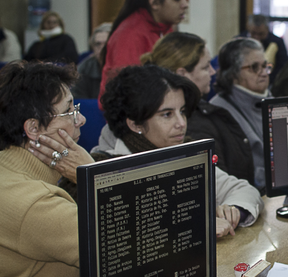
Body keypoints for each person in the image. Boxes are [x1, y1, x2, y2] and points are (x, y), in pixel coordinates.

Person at [0, 61, 95, 277]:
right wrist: (94, 175)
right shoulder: (34, 204)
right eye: (70, 111)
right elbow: (129, 256)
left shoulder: (0, 170)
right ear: (33, 128)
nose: (80, 120)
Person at [95, 65, 263, 237]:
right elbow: (132, 230)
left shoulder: (182, 151)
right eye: (167, 114)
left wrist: (233, 211)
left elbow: (243, 190)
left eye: (182, 112)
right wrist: (199, 224)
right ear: (135, 124)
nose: (181, 123)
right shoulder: (103, 167)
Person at [140, 32, 257, 187]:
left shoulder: (203, 109)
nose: (213, 72)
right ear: (183, 74)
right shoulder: (190, 123)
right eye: (205, 67)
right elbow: (215, 187)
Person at [99, 0, 189, 108]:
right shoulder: (129, 36)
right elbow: (128, 98)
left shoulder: (165, 29)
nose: (185, 4)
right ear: (155, 3)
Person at [210, 37, 271, 190]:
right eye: (254, 67)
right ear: (233, 74)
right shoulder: (219, 110)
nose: (263, 73)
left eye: (265, 66)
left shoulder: (271, 100)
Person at [240, 14, 288, 84]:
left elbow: (282, 67)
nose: (257, 37)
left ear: (267, 30)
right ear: (248, 28)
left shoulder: (277, 42)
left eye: (261, 34)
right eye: (253, 33)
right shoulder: (240, 41)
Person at [71, 22, 111, 99]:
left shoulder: (125, 66)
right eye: (98, 44)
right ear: (93, 48)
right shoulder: (83, 69)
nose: (102, 49)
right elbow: (79, 101)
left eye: (106, 44)